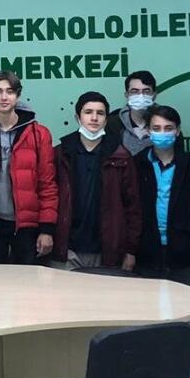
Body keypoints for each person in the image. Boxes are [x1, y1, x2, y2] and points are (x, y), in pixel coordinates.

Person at [0, 70, 58, 265]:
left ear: (18, 95)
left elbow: (47, 184)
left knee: (28, 282)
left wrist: (47, 229)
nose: (4, 97)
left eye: (9, 91)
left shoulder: (39, 134)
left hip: (27, 225)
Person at [51, 91, 141, 273]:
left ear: (106, 120)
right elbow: (48, 197)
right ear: (78, 117)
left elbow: (133, 208)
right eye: (88, 112)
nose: (94, 118)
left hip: (107, 251)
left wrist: (131, 250)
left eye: (100, 113)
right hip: (67, 249)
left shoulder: (121, 156)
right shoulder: (60, 154)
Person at [133, 105, 190, 283]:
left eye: (168, 128)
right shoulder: (136, 165)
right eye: (156, 128)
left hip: (183, 254)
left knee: (185, 299)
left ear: (177, 131)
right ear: (148, 131)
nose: (162, 133)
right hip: (146, 253)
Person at [105, 70, 157, 156]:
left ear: (154, 95)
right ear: (127, 95)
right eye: (135, 91)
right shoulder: (113, 124)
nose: (141, 96)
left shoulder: (167, 121)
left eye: (146, 91)